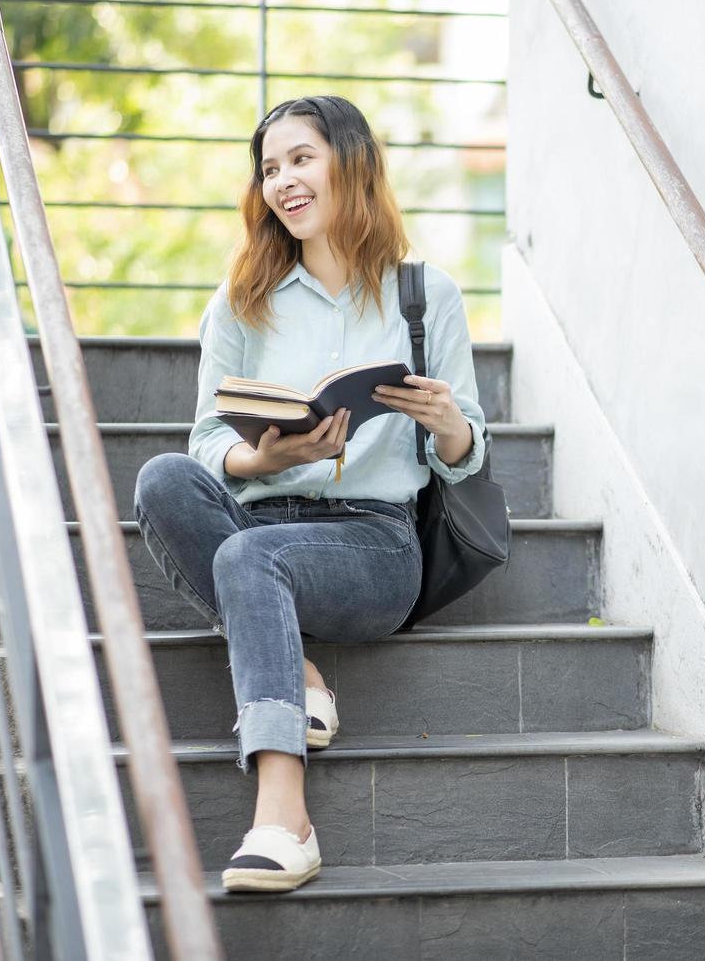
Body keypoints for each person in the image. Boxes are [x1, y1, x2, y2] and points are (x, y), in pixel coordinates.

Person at [132, 95, 487, 893]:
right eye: (268, 169)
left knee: (250, 558)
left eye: (300, 159)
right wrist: (267, 459)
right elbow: (205, 443)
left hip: (373, 543)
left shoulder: (425, 296)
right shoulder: (240, 301)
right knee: (163, 480)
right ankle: (300, 677)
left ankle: (284, 816)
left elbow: (465, 461)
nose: (283, 182)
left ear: (349, 164)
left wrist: (448, 423)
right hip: (261, 522)